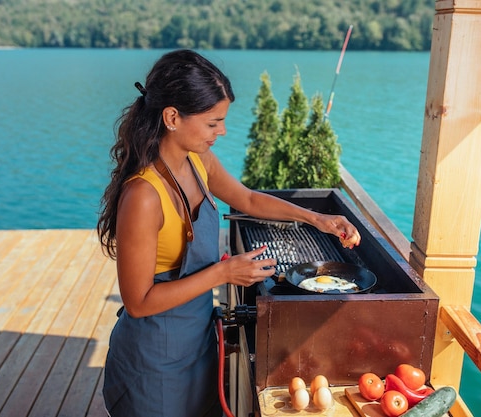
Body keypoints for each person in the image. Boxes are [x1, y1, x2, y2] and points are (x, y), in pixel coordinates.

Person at [96, 49, 361, 417]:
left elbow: (248, 199)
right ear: (172, 117)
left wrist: (318, 220)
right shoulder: (143, 196)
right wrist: (224, 272)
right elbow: (139, 302)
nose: (221, 131)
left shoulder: (198, 161)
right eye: (212, 123)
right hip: (152, 357)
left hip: (197, 342)